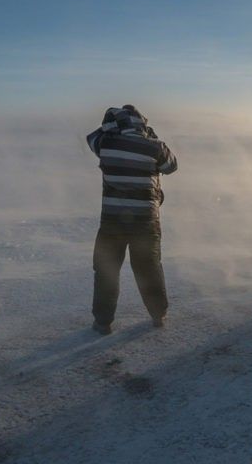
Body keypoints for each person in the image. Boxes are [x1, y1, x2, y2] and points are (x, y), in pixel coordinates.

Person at [85, 105, 178, 334]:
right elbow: (171, 166)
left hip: (111, 222)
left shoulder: (105, 143)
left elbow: (91, 138)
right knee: (149, 268)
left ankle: (103, 322)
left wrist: (111, 127)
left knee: (106, 270)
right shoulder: (155, 147)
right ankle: (158, 315)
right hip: (145, 221)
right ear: (141, 123)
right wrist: (150, 136)